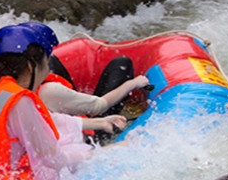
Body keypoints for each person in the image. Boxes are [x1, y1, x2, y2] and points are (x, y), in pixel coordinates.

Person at [0, 25, 126, 180]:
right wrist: (101, 153)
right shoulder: (19, 101)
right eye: (46, 63)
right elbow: (54, 160)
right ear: (29, 67)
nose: (48, 70)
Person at [19, 21, 150, 118]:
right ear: (32, 67)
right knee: (123, 64)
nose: (48, 63)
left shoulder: (4, 89)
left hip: (62, 123)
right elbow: (99, 106)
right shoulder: (50, 91)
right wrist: (133, 84)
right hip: (86, 136)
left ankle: (77, 101)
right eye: (46, 60)